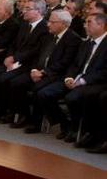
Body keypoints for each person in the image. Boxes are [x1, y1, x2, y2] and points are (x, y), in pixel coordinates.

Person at [35, 13, 107, 146]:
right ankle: (65, 124)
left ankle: (81, 131)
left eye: (89, 22)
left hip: (95, 82)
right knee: (44, 93)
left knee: (73, 97)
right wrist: (70, 77)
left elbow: (104, 71)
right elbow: (75, 64)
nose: (85, 26)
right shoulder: (86, 43)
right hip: (75, 79)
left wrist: (82, 81)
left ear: (101, 25)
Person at [16, 10, 81, 132]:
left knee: (40, 91)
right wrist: (35, 69)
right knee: (18, 82)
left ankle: (59, 122)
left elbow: (65, 62)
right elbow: (38, 55)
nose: (48, 24)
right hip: (42, 72)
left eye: (52, 22)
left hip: (58, 75)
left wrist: (43, 72)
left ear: (63, 24)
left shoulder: (73, 39)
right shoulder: (49, 36)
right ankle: (25, 116)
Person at [0, 0, 50, 122]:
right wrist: (10, 56)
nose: (23, 11)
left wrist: (14, 58)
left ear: (38, 11)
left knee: (12, 80)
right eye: (24, 8)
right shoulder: (25, 25)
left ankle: (21, 112)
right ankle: (2, 108)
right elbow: (14, 44)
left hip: (30, 64)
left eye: (28, 9)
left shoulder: (44, 28)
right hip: (16, 61)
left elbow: (35, 50)